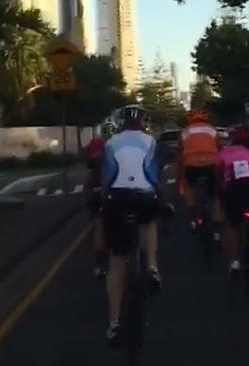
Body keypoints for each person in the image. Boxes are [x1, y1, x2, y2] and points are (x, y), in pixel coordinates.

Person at [102, 105, 163, 346]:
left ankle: (115, 323)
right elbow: (153, 172)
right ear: (143, 123)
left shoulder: (110, 144)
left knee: (116, 262)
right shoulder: (150, 141)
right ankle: (151, 266)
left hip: (118, 197)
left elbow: (108, 175)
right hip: (145, 195)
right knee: (148, 223)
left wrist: (104, 203)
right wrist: (160, 196)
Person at [219, 125, 249, 276]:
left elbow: (218, 175)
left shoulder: (223, 152)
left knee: (231, 223)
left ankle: (234, 261)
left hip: (233, 189)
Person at [177, 110, 222, 242]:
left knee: (188, 187)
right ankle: (217, 228)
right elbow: (219, 148)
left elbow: (179, 154)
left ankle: (193, 218)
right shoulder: (212, 131)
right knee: (214, 195)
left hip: (191, 165)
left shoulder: (185, 132)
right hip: (211, 164)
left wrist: (179, 176)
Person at [84, 117, 118, 278]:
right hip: (115, 190)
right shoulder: (118, 145)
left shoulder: (96, 144)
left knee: (98, 225)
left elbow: (89, 164)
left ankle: (99, 264)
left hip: (96, 189)